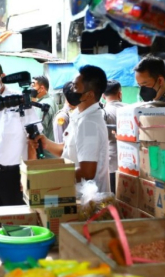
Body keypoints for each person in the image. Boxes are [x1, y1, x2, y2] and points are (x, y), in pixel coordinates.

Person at [32, 65, 111, 193]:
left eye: (75, 87)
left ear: (90, 94)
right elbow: (68, 150)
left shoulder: (89, 124)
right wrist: (46, 143)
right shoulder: (79, 116)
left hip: (86, 202)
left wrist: (48, 178)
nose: (71, 90)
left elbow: (87, 172)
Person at [0, 61, 38, 207]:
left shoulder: (20, 100)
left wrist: (28, 176)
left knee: (17, 225)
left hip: (15, 174)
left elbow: (33, 142)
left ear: (2, 76)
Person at [102, 80, 126, 194]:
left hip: (111, 162)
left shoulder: (103, 112)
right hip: (130, 161)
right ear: (120, 94)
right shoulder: (129, 109)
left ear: (102, 96)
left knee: (114, 196)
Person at [30, 76, 58, 158]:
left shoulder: (42, 106)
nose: (31, 89)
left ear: (41, 88)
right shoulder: (50, 101)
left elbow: (39, 132)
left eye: (33, 86)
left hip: (45, 155)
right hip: (52, 153)